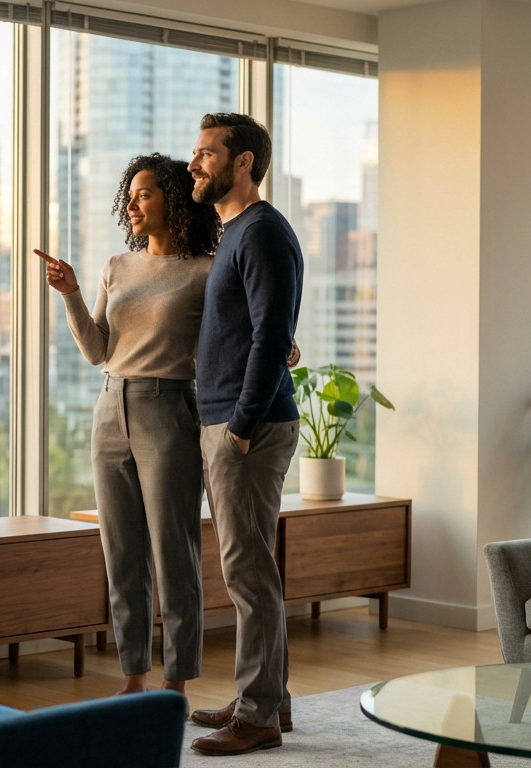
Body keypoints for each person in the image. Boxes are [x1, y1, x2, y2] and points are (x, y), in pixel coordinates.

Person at [35, 153, 218, 696]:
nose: (133, 205)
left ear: (173, 200)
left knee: (174, 552)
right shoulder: (117, 266)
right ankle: (133, 679)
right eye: (130, 196)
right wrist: (70, 293)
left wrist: (282, 347)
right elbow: (97, 350)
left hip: (169, 410)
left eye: (145, 194)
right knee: (121, 553)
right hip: (110, 407)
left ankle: (176, 684)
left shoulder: (206, 270)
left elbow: (236, 333)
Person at [185, 113, 304, 756]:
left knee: (248, 572)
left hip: (247, 429)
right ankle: (267, 697)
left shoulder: (260, 231)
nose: (194, 163)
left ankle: (257, 716)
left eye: (207, 153)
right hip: (233, 422)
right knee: (249, 568)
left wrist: (240, 426)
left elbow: (271, 336)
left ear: (243, 162)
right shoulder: (237, 232)